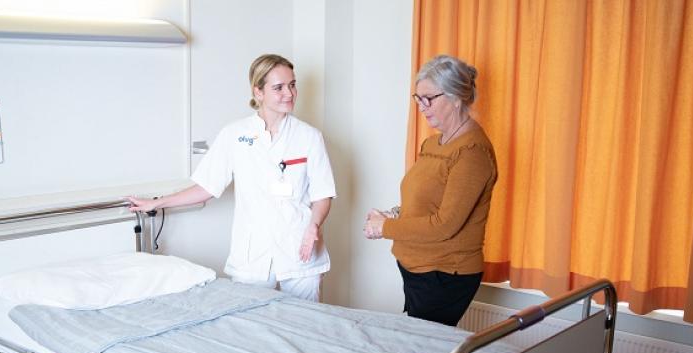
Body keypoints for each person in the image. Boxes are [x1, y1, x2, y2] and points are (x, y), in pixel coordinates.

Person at [128, 54, 336, 302]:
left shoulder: (309, 137)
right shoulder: (235, 135)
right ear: (258, 91)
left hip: (300, 248)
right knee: (250, 320)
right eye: (278, 87)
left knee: (305, 321)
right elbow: (206, 187)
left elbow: (323, 194)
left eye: (292, 85)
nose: (289, 93)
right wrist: (157, 203)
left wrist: (313, 227)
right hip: (252, 254)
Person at [363, 55, 497, 325]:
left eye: (429, 98)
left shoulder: (472, 152)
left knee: (422, 347)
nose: (422, 107)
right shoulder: (434, 144)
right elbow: (425, 201)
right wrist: (394, 214)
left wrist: (385, 227)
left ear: (456, 98)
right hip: (417, 268)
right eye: (418, 98)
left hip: (445, 273)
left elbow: (445, 225)